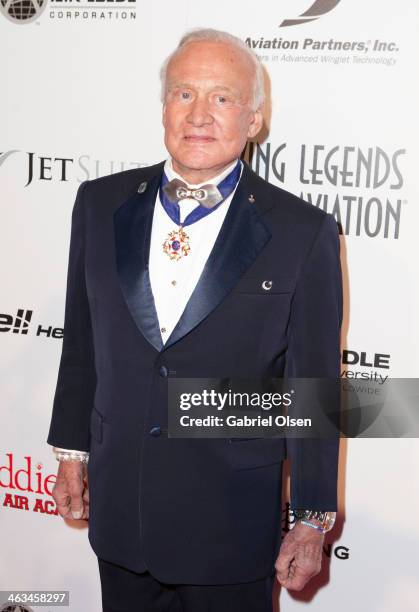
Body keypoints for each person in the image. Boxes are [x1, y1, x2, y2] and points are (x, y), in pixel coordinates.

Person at [47, 28, 343, 612]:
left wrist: (311, 517)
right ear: (163, 107)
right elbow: (81, 341)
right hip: (123, 513)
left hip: (231, 524)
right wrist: (71, 452)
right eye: (184, 94)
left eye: (222, 98)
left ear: (254, 119)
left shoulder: (303, 232)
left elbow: (314, 388)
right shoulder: (99, 204)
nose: (200, 114)